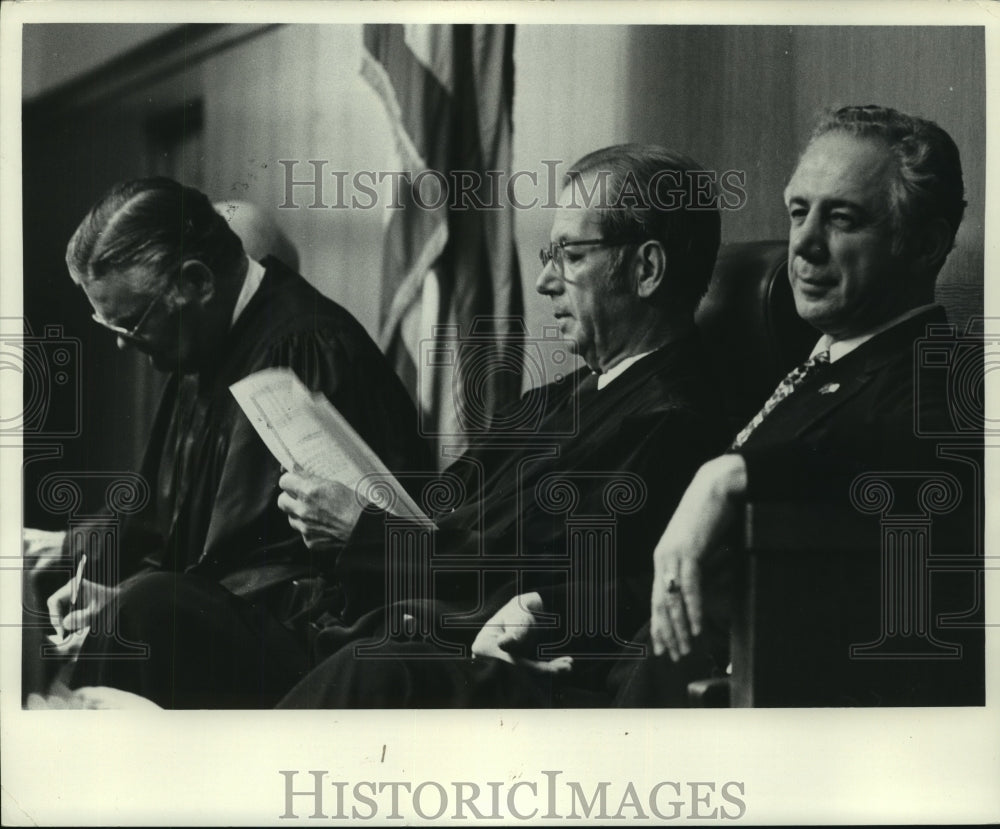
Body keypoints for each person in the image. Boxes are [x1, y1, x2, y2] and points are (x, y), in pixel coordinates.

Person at [274, 144, 730, 708]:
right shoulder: (560, 397)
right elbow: (445, 513)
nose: (544, 281)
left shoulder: (673, 423)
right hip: (385, 616)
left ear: (646, 269)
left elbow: (526, 581)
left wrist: (363, 534)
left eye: (569, 255)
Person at [35, 178, 430, 707]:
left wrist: (138, 602)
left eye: (130, 324)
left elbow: (275, 569)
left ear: (196, 282)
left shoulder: (302, 347)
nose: (122, 343)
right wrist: (115, 596)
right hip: (256, 624)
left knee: (148, 611)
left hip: (330, 646)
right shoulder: (206, 346)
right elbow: (177, 534)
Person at [639, 104, 983, 706]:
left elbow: (888, 452)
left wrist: (725, 476)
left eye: (842, 219)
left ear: (925, 243)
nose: (803, 244)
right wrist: (555, 612)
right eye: (798, 212)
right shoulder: (812, 366)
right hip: (625, 672)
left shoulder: (940, 383)